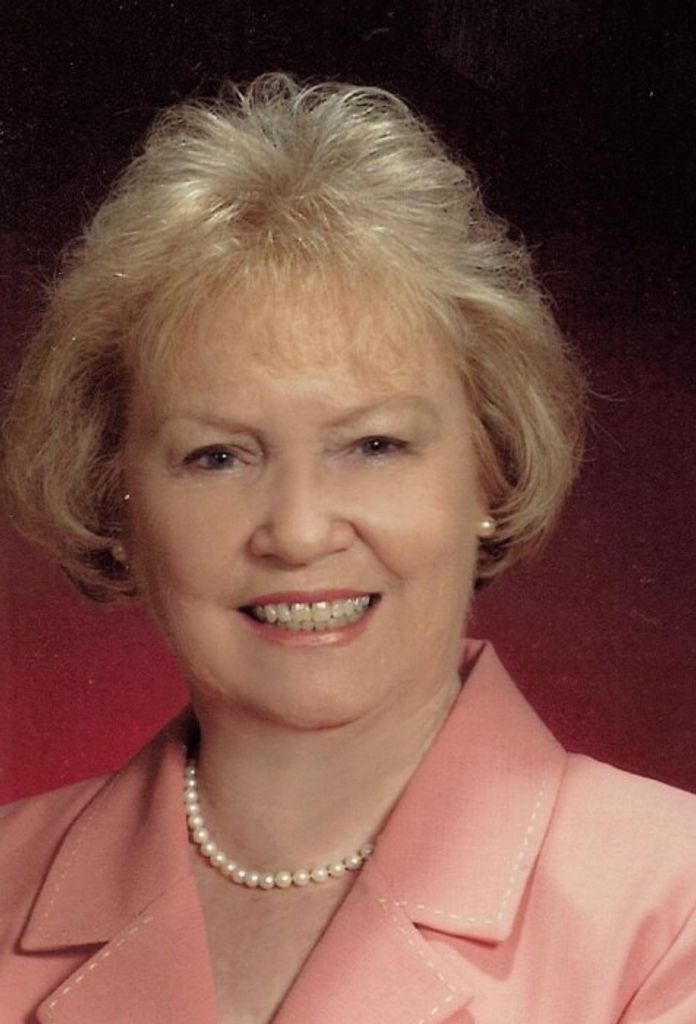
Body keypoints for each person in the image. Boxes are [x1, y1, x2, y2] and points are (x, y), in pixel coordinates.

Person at [1, 73, 695, 1024]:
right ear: (115, 499)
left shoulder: (672, 904)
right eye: (217, 456)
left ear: (490, 469)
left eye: (373, 446)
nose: (298, 531)